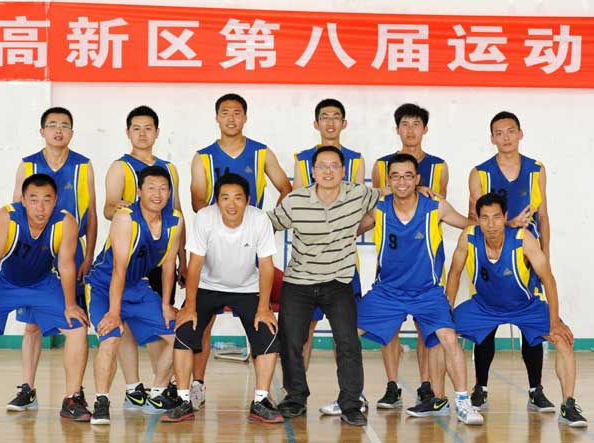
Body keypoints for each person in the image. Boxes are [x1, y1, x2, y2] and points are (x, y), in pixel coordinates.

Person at [355, 153, 482, 425]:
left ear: (418, 179)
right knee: (346, 335)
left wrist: (506, 225)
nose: (402, 181)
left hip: (427, 293)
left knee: (448, 338)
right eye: (396, 176)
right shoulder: (379, 208)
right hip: (387, 292)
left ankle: (463, 402)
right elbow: (350, 230)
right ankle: (352, 396)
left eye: (408, 176)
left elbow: (470, 225)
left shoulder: (435, 207)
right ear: (388, 180)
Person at [0, 174, 90, 424]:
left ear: (56, 201)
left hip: (43, 284)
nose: (40, 207)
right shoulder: (6, 218)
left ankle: (72, 399)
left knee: (78, 328)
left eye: (47, 200)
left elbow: (66, 266)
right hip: (5, 283)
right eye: (34, 200)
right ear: (23, 201)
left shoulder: (66, 223)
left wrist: (71, 305)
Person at [188, 93, 291, 409]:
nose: (231, 118)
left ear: (245, 117)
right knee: (200, 325)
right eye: (225, 112)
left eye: (237, 112)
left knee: (260, 319)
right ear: (216, 117)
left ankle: (262, 393)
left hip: (250, 251)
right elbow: (197, 200)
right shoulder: (203, 157)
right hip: (215, 251)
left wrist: (267, 225)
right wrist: (219, 226)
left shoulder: (261, 153)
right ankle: (197, 385)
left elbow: (285, 187)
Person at [448, 193, 586, 427]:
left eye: (496, 217)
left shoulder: (524, 240)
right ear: (478, 220)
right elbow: (454, 273)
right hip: (484, 306)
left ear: (505, 217)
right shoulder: (468, 237)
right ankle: (440, 398)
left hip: (525, 307)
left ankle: (568, 405)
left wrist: (554, 323)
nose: (491, 224)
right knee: (441, 332)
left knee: (563, 340)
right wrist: (447, 311)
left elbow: (548, 279)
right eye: (485, 218)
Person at [268, 146, 379, 426]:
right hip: (299, 281)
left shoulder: (358, 194)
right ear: (313, 171)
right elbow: (267, 224)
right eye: (322, 166)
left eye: (334, 166)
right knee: (291, 342)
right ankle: (295, 398)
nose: (328, 171)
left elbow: (391, 194)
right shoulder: (296, 201)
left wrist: (422, 191)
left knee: (348, 343)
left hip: (338, 281)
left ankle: (351, 404)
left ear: (343, 170)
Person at [162, 173, 282, 423]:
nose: (231, 204)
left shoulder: (259, 219)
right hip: (207, 285)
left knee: (268, 336)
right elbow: (195, 264)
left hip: (247, 287)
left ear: (247, 200)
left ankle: (260, 401)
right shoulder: (205, 218)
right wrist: (190, 306)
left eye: (238, 198)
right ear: (217, 201)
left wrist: (264, 307)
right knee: (184, 332)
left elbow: (266, 266)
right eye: (225, 198)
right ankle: (184, 400)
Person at [7, 107, 97, 412]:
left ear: (72, 132)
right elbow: (15, 211)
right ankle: (27, 388)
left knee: (76, 322)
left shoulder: (83, 166)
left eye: (64, 125)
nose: (58, 130)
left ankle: (75, 392)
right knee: (31, 325)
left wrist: (90, 253)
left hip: (73, 251)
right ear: (42, 131)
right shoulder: (28, 165)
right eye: (52, 125)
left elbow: (91, 213)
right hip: (36, 252)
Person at [103, 105, 186, 412]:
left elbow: (178, 214)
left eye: (148, 128)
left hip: (160, 255)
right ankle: (133, 387)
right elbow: (108, 208)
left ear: (157, 132)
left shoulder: (169, 169)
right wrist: (131, 208)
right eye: (136, 128)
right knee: (125, 321)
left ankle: (159, 384)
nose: (142, 133)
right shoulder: (120, 167)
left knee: (159, 324)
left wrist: (182, 259)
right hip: (130, 253)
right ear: (128, 133)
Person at [467, 111, 552, 410]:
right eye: (499, 133)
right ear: (492, 138)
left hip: (527, 257)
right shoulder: (480, 173)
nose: (505, 137)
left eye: (510, 131)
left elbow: (543, 216)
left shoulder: (536, 169)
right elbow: (474, 220)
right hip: (491, 256)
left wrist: (545, 258)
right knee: (486, 325)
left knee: (532, 326)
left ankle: (535, 389)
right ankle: (480, 387)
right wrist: (507, 224)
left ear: (520, 133)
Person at [86, 166, 183, 424]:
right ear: (139, 192)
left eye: (163, 188)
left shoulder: (175, 220)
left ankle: (158, 392)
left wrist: (166, 304)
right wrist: (114, 312)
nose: (157, 194)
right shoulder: (125, 219)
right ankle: (101, 401)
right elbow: (118, 269)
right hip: (103, 286)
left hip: (137, 286)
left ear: (170, 192)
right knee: (110, 338)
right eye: (151, 188)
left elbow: (168, 265)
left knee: (182, 337)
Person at [370, 103, 449, 408]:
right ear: (397, 129)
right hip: (392, 258)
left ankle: (426, 385)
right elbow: (377, 201)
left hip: (425, 258)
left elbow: (438, 205)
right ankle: (392, 385)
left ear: (425, 129)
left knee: (425, 328)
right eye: (405, 124)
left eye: (416, 124)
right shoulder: (381, 165)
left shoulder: (439, 166)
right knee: (389, 326)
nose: (411, 130)